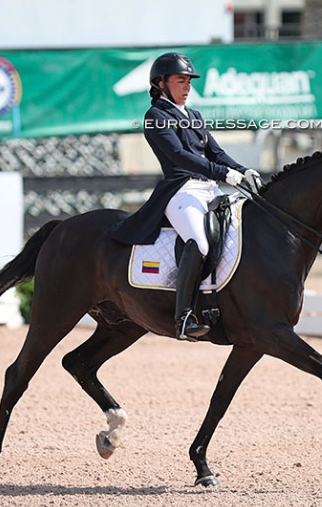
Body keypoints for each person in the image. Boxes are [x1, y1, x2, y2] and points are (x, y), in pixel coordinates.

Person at [109, 52, 261, 340]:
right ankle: (184, 317)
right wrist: (223, 174)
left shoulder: (194, 115)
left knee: (238, 235)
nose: (187, 86)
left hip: (208, 189)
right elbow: (179, 157)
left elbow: (216, 151)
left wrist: (242, 170)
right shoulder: (155, 117)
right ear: (161, 83)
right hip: (181, 191)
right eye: (181, 80)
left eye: (189, 81)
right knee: (200, 242)